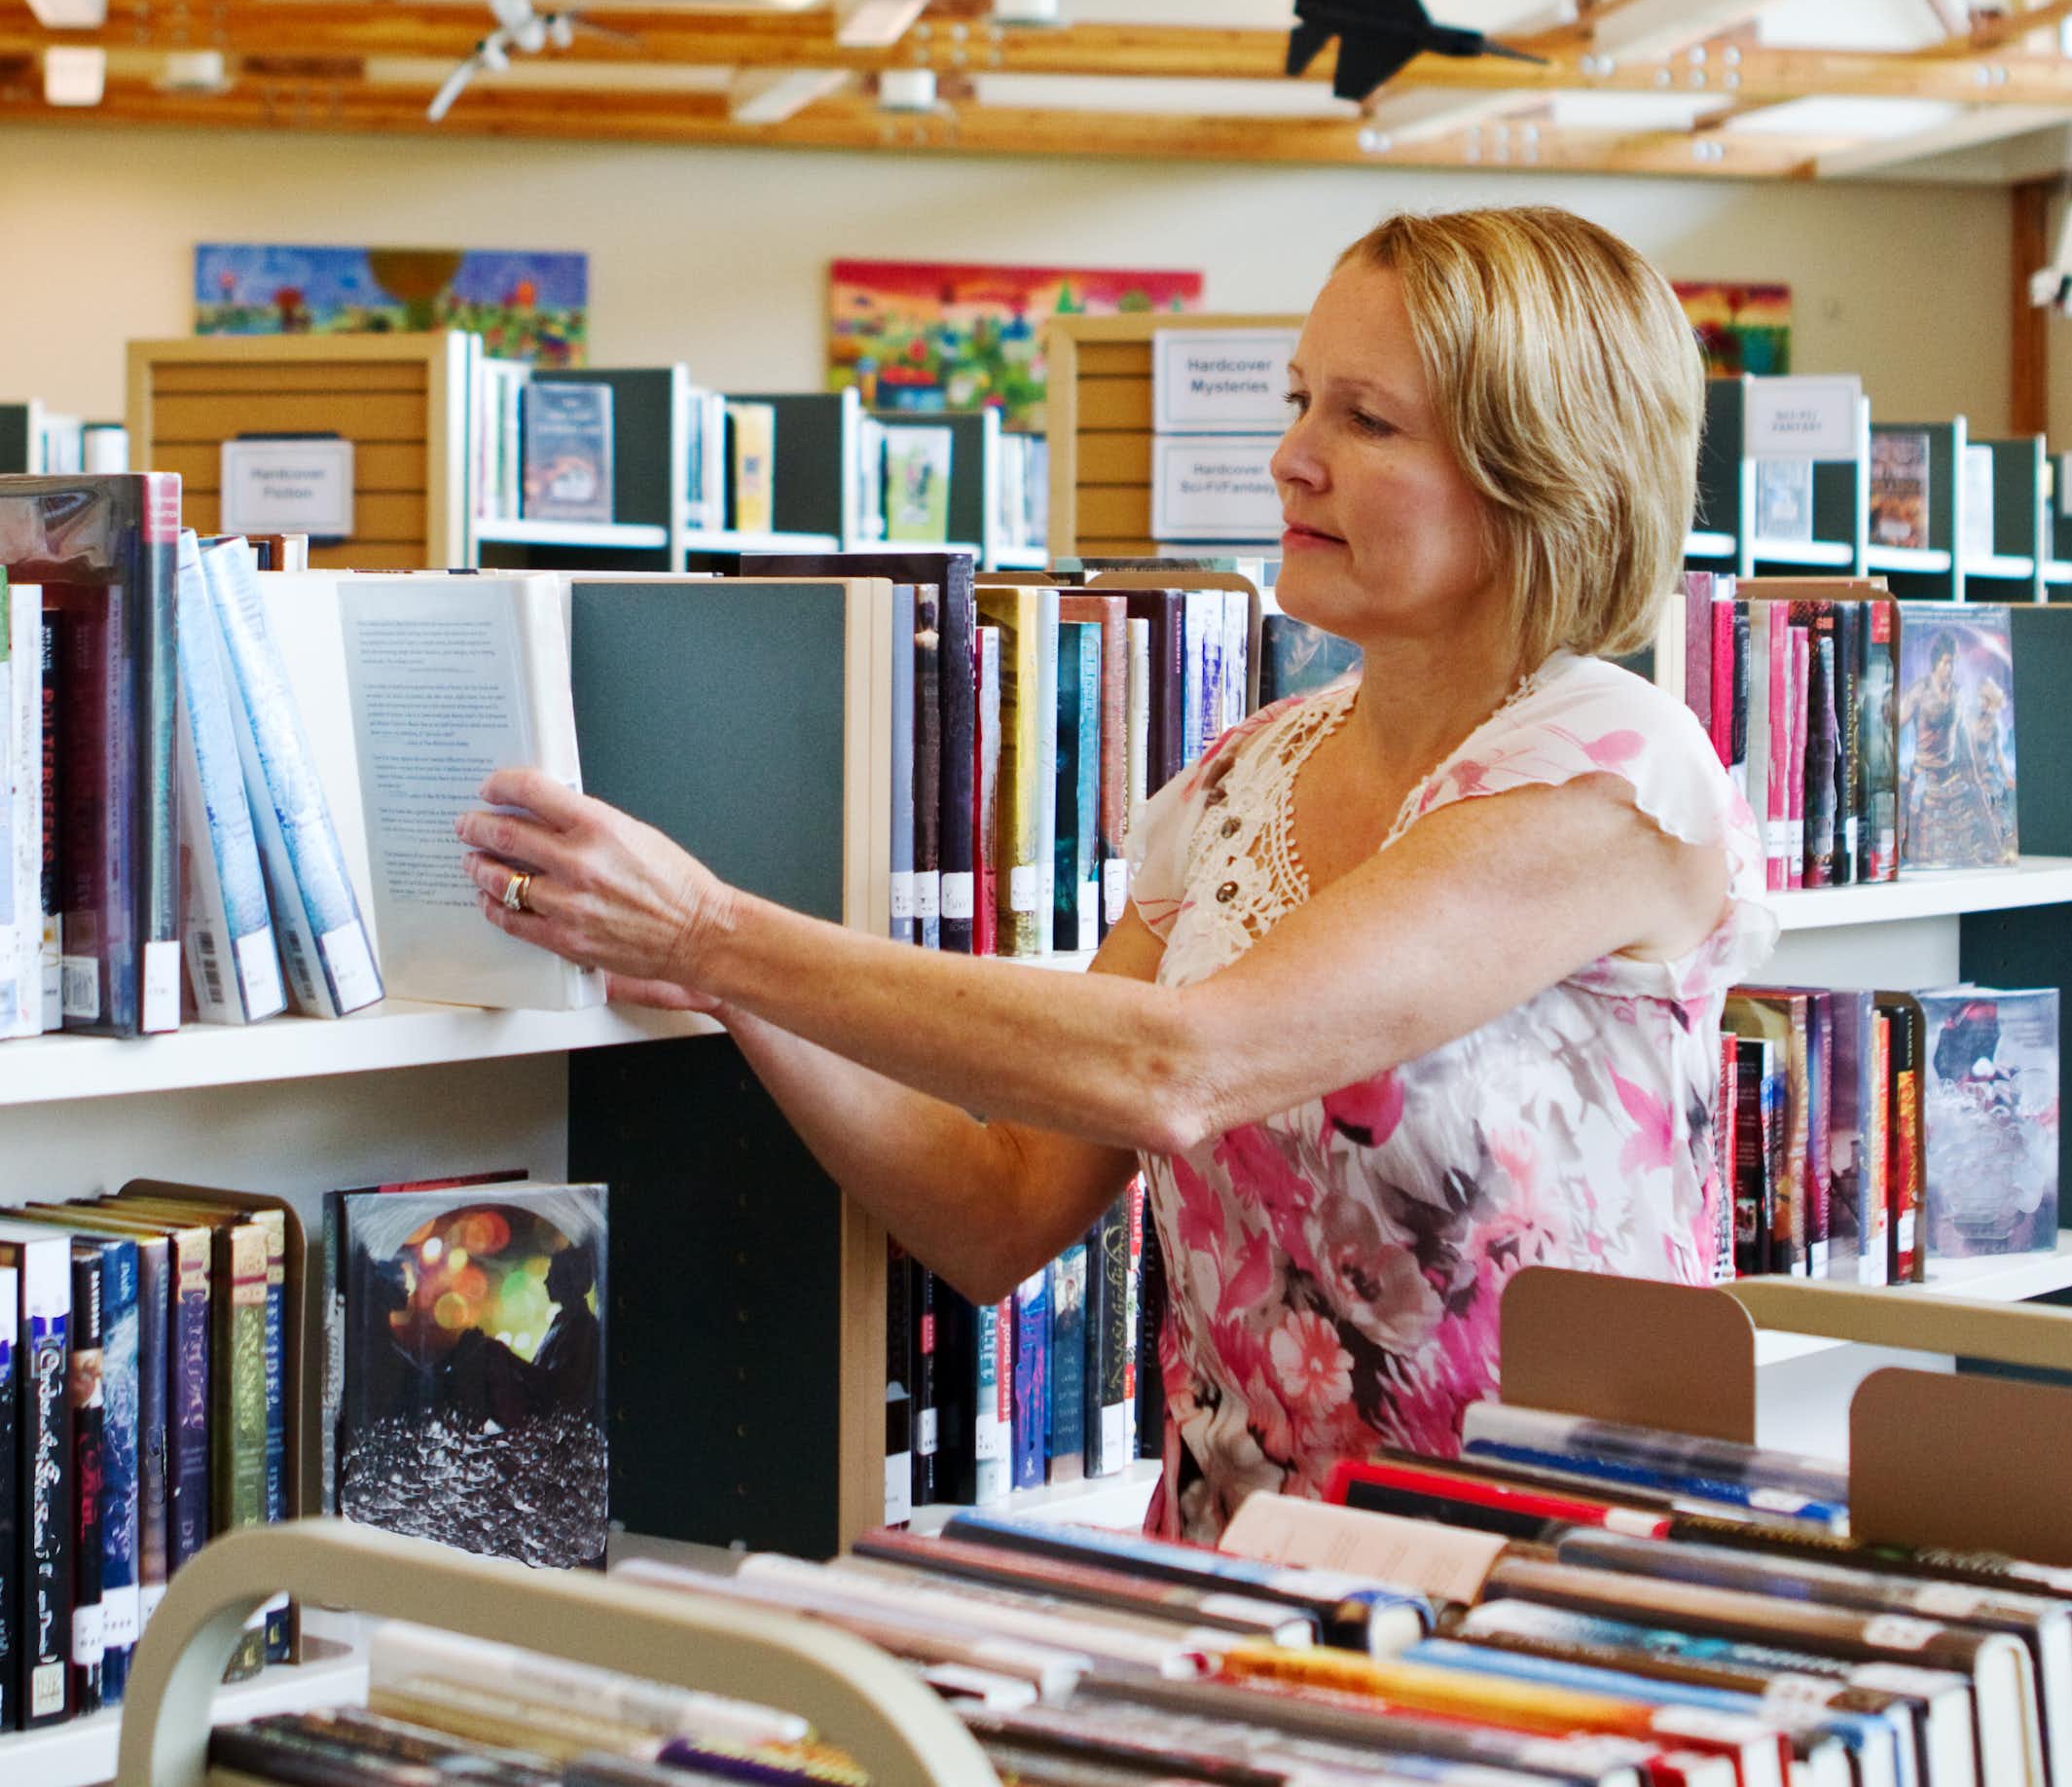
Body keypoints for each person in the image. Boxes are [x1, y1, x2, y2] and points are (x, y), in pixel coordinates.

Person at [456, 206, 1778, 1540]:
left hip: (1541, 1584)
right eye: (1299, 401)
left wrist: (714, 932)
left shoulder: (1612, 777)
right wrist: (735, 993)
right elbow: (1001, 1207)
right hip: (1239, 1574)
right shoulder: (1239, 780)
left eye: (1366, 422)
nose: (1291, 460)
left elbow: (1176, 1067)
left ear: (1541, 469)